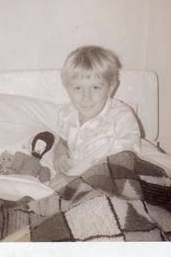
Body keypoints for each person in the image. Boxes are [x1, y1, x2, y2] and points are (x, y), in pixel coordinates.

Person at [49, 45, 141, 190]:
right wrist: (59, 153)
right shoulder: (66, 113)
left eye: (96, 87)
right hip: (72, 176)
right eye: (78, 88)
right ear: (67, 88)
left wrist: (78, 181)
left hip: (106, 180)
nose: (87, 97)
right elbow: (63, 140)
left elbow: (124, 162)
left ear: (111, 87)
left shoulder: (122, 117)